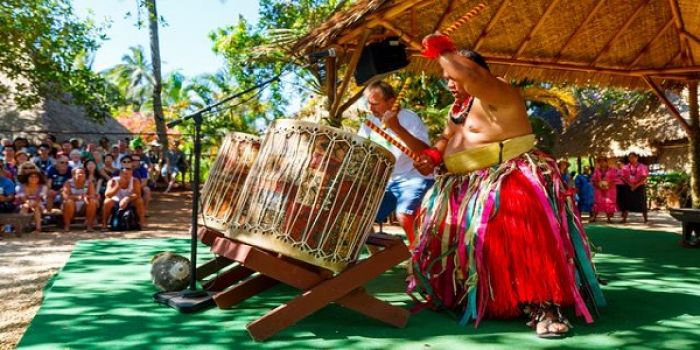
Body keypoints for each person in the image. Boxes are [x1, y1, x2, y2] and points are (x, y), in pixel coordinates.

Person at [410, 36, 605, 338]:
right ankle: (486, 298)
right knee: (477, 248)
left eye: (453, 75)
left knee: (521, 239)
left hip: (505, 177)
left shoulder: (498, 93)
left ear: (475, 71)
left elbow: (472, 76)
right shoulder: (457, 108)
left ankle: (545, 306)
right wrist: (433, 155)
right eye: (445, 78)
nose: (449, 82)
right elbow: (445, 140)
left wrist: (442, 51)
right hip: (463, 186)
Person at [357, 80, 434, 249]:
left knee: (404, 215)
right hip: (386, 180)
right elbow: (360, 151)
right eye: (369, 103)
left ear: (392, 102)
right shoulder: (369, 122)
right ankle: (375, 260)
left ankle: (418, 260)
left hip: (413, 177)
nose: (371, 108)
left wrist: (397, 128)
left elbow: (425, 153)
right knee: (360, 215)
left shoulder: (409, 118)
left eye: (375, 104)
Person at [101, 156, 146, 230]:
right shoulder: (113, 180)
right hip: (116, 201)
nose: (127, 176)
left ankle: (142, 223)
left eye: (129, 174)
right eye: (125, 175)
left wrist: (127, 198)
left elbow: (138, 194)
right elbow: (107, 195)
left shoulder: (135, 181)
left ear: (131, 174)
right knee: (107, 202)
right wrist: (118, 186)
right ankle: (104, 225)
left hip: (129, 201)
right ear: (120, 174)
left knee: (139, 201)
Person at [62, 167, 98, 231]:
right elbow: (65, 196)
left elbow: (92, 195)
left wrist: (86, 197)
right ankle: (67, 225)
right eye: (79, 173)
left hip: (84, 205)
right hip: (72, 205)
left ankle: (89, 226)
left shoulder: (89, 183)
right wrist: (77, 197)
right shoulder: (68, 183)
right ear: (73, 175)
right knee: (68, 202)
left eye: (83, 173)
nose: (81, 175)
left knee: (92, 202)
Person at [621, 153, 649, 223]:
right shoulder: (625, 167)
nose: (631, 159)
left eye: (633, 157)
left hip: (640, 186)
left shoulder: (643, 166)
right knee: (626, 202)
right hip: (628, 186)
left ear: (637, 158)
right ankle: (624, 218)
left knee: (642, 202)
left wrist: (636, 185)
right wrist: (630, 184)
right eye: (630, 157)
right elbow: (623, 177)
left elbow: (644, 177)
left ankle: (645, 219)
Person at [591, 157, 618, 223]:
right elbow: (593, 180)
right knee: (597, 203)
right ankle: (594, 218)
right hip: (599, 189)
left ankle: (609, 219)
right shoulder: (596, 170)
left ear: (606, 162)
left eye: (603, 161)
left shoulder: (612, 170)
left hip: (609, 190)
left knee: (608, 203)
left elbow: (615, 180)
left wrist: (608, 186)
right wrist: (599, 186)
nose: (602, 163)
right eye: (600, 162)